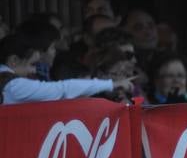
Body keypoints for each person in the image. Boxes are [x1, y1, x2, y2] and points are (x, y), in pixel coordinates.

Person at [1, 32, 129, 104]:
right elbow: (63, 90)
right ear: (14, 61)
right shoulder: (13, 86)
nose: (34, 71)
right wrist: (111, 84)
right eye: (31, 65)